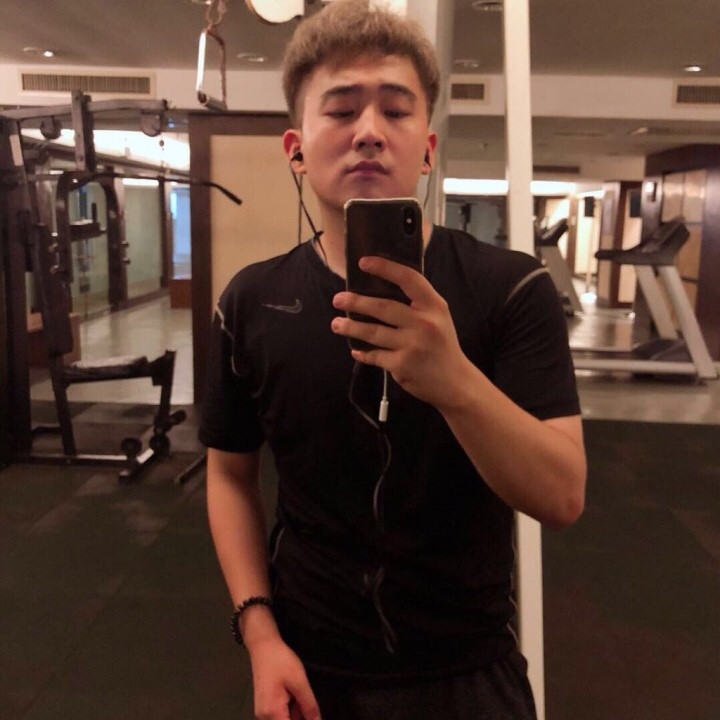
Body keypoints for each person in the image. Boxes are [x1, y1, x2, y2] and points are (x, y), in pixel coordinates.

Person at [199, 1, 587, 718]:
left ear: (428, 148)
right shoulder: (251, 301)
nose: (370, 131)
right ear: (296, 149)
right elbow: (228, 476)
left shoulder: (511, 288)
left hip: (468, 668)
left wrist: (454, 382)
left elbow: (562, 496)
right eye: (342, 110)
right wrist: (259, 635)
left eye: (397, 111)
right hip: (308, 664)